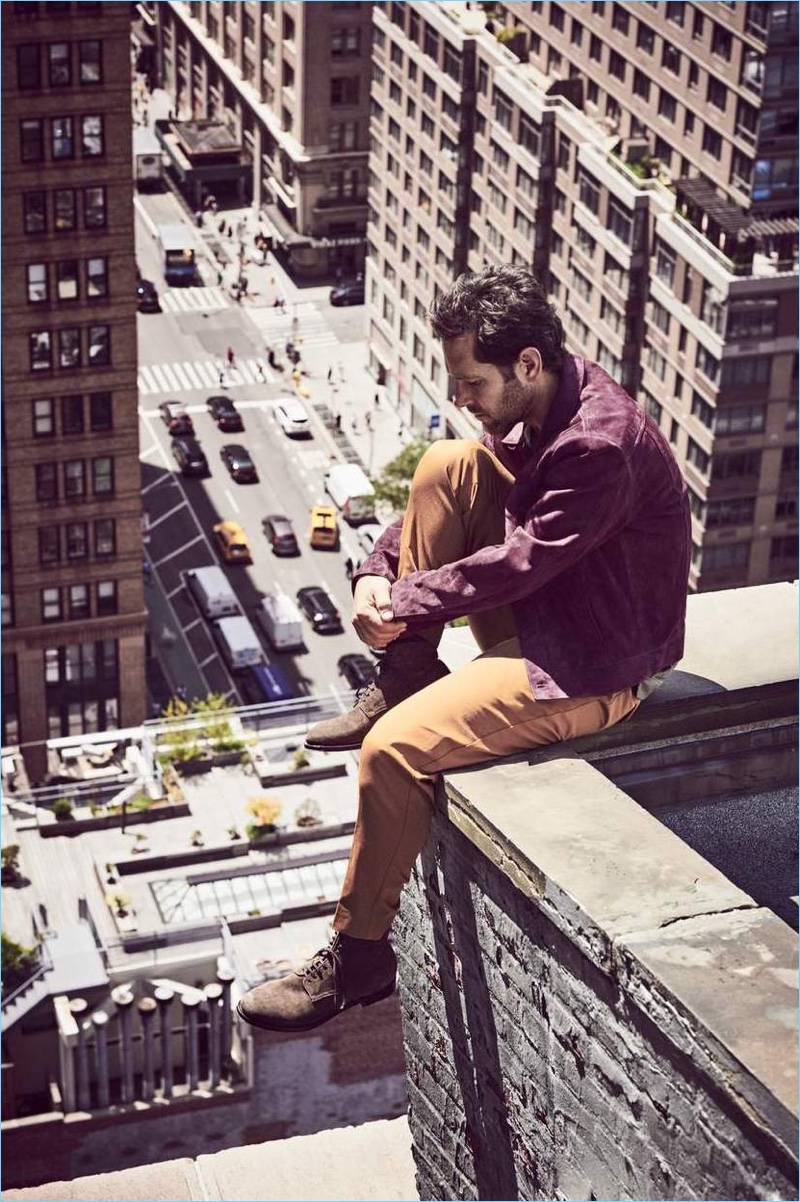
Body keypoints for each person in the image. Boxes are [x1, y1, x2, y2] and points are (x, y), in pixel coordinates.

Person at [238, 265, 691, 1034]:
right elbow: (461, 511)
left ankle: (358, 957)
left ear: (526, 364)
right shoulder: (540, 401)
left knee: (393, 752)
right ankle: (407, 668)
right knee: (444, 465)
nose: (460, 396)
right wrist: (375, 574)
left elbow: (521, 564)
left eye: (470, 381)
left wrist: (402, 600)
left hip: (592, 663)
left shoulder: (599, 447)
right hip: (549, 616)